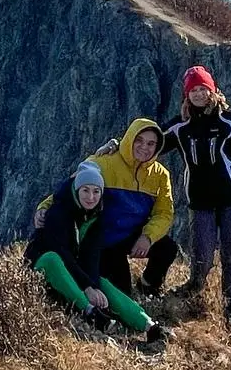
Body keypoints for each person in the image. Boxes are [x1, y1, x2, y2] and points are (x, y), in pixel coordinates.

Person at [25, 159, 170, 344]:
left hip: (71, 270)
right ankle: (91, 313)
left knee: (102, 282)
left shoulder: (96, 218)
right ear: (76, 190)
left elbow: (91, 256)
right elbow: (61, 252)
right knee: (52, 259)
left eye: (96, 191)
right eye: (85, 190)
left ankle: (149, 325)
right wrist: (87, 287)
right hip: (42, 267)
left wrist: (93, 285)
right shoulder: (57, 213)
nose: (90, 197)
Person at [163, 66, 231, 326]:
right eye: (193, 90)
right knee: (203, 255)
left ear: (212, 90)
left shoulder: (230, 121)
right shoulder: (181, 126)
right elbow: (151, 142)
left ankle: (230, 306)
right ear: (186, 95)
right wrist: (121, 145)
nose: (198, 94)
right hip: (201, 203)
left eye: (202, 88)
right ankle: (195, 287)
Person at [34, 118, 178, 298]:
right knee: (122, 293)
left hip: (132, 233)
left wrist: (147, 237)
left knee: (168, 248)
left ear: (158, 147)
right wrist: (45, 206)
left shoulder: (160, 175)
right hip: (103, 238)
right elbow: (73, 186)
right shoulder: (104, 162)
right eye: (138, 140)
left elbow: (164, 212)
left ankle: (149, 286)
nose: (144, 147)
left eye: (151, 143)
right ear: (129, 138)